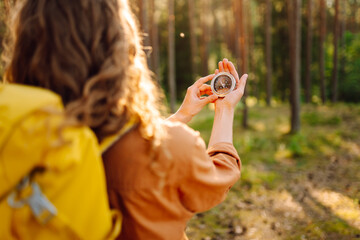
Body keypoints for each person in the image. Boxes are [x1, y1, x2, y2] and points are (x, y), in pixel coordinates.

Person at [2, 0, 247, 239]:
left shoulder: (18, 136)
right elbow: (219, 178)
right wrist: (224, 110)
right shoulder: (169, 151)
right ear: (121, 46)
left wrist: (181, 116)